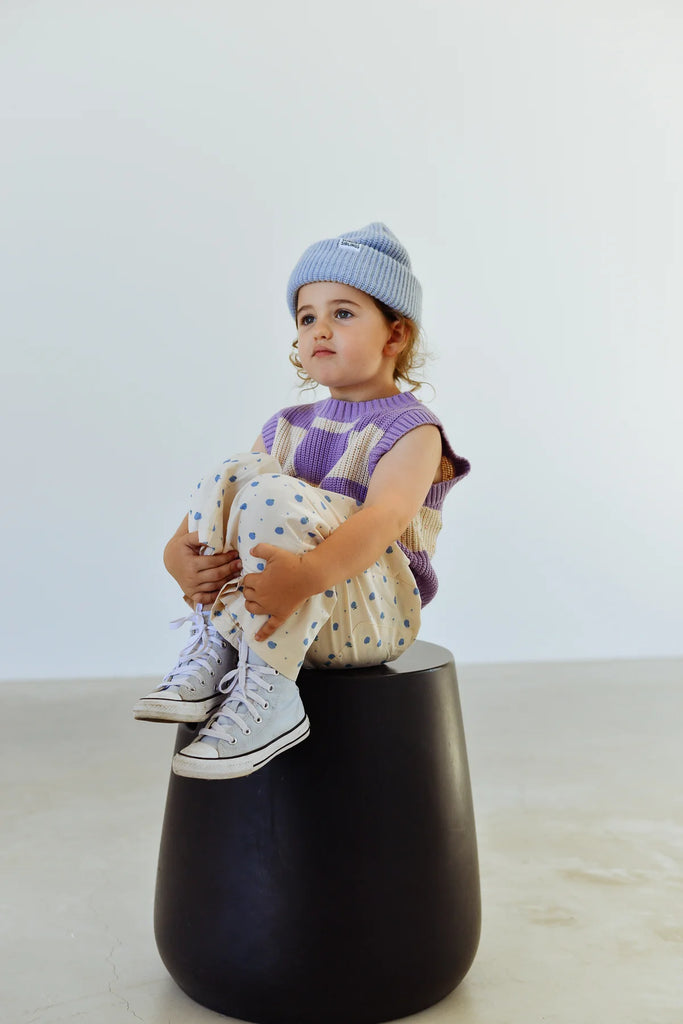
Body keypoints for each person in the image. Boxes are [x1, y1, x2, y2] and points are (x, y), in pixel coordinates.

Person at [133, 222, 470, 780]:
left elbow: (385, 518)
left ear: (395, 335)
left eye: (343, 313)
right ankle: (217, 642)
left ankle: (272, 692)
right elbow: (227, 498)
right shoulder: (285, 425)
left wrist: (308, 575)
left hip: (367, 614)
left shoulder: (412, 430)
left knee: (268, 488)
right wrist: (178, 555)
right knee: (237, 470)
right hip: (275, 605)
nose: (320, 329)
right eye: (307, 317)